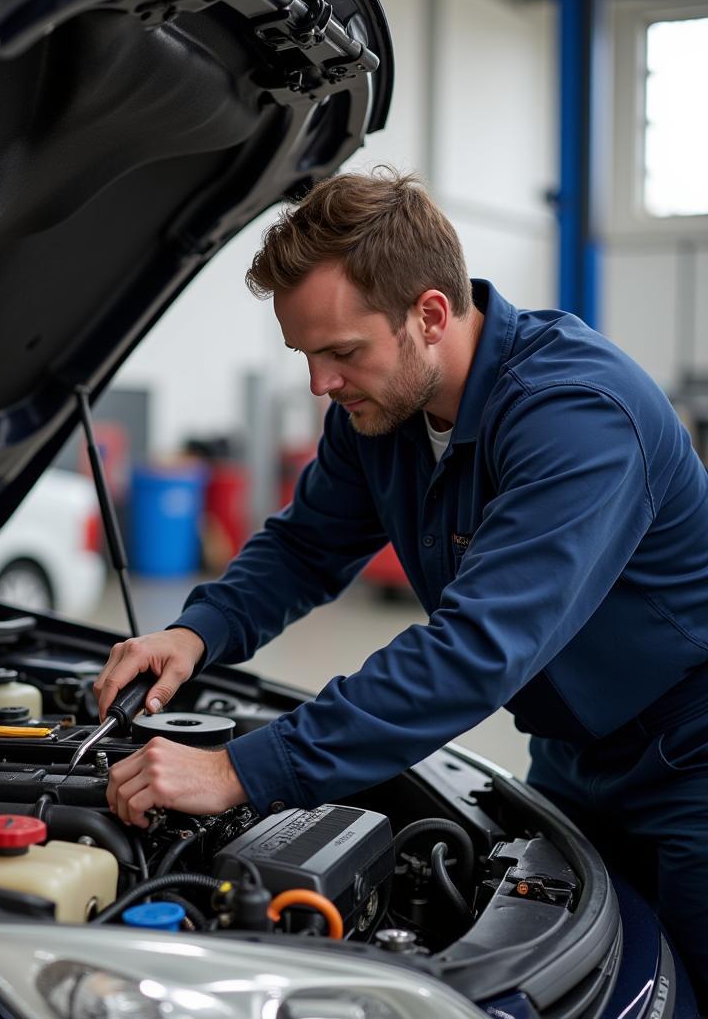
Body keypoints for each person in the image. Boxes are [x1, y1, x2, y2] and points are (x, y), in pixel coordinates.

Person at [95, 168, 708, 989]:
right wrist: (194, 632)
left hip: (693, 758)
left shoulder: (579, 419)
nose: (320, 383)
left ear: (429, 314)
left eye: (342, 352)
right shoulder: (382, 412)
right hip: (574, 751)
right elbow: (307, 545)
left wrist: (244, 770)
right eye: (307, 355)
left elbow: (475, 652)